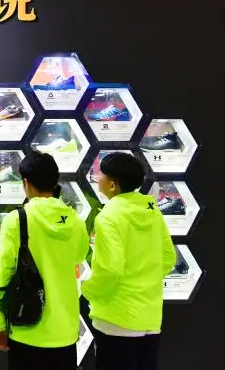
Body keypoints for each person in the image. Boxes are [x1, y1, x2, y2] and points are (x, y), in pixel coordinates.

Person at [0, 151, 89, 369]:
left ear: (26, 183)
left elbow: (4, 274)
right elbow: (79, 256)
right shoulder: (75, 220)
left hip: (26, 327)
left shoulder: (17, 220)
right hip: (65, 329)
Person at [81, 152, 176, 370]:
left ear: (112, 185)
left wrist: (88, 289)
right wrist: (144, 280)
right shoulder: (152, 211)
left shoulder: (108, 216)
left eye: (100, 174)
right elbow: (168, 257)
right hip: (150, 317)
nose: (97, 178)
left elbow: (110, 271)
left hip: (116, 318)